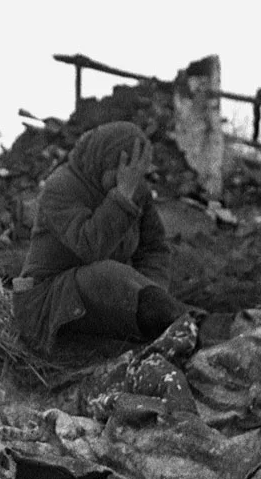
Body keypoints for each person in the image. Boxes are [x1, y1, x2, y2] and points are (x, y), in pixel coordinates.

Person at [12, 121, 192, 354]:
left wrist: (151, 294)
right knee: (106, 275)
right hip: (49, 301)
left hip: (112, 296)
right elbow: (89, 247)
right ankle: (180, 324)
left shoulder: (136, 189)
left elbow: (153, 248)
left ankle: (181, 324)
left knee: (134, 293)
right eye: (125, 173)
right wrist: (121, 198)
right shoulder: (61, 187)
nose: (132, 182)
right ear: (105, 162)